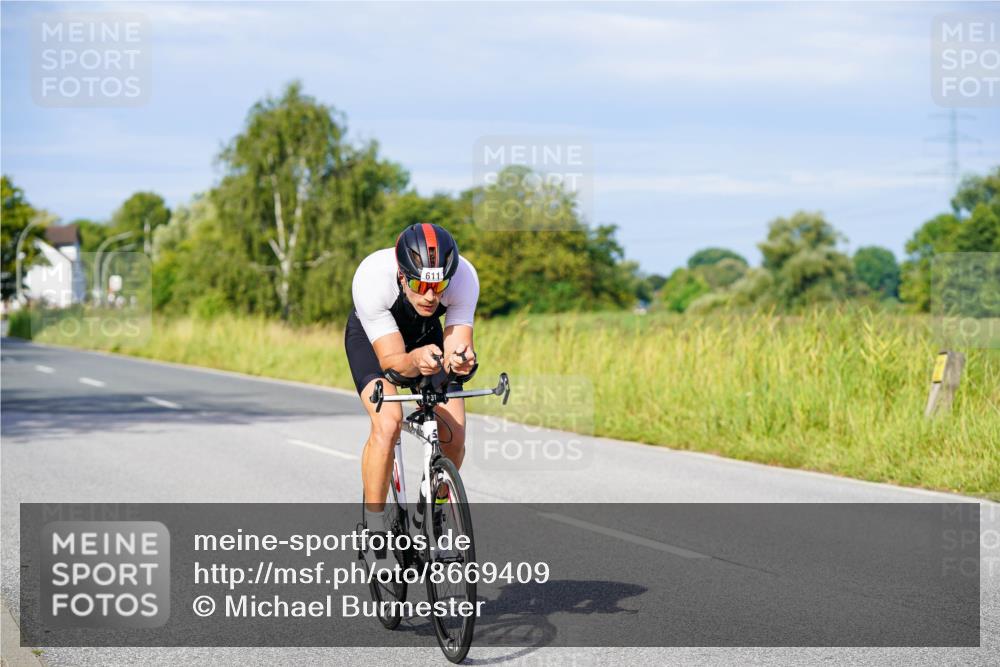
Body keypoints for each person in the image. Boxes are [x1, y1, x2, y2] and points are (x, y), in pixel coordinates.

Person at [344, 223, 479, 567]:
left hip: (426, 335)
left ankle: (434, 507)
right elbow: (393, 364)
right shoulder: (372, 277)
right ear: (402, 276)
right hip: (375, 341)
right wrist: (416, 362)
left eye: (439, 286)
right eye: (420, 285)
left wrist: (460, 362)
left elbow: (458, 343)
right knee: (388, 422)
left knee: (455, 434)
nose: (431, 296)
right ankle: (374, 526)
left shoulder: (463, 277)